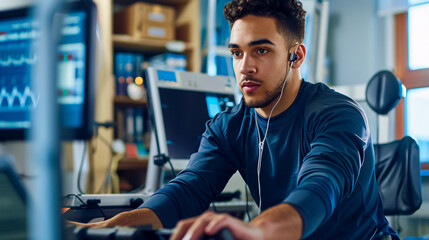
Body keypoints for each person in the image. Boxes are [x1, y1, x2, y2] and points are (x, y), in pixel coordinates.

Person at [76, 0, 398, 239]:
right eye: (236, 52)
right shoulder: (227, 127)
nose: (245, 67)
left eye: (260, 51)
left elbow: (317, 193)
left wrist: (254, 231)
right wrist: (102, 228)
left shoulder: (338, 116)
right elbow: (184, 194)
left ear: (296, 55)